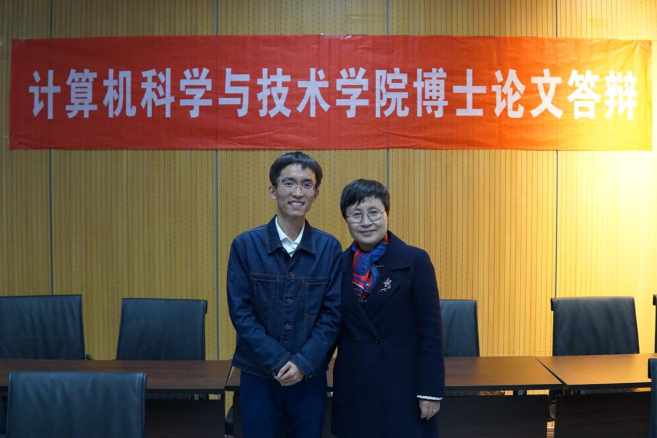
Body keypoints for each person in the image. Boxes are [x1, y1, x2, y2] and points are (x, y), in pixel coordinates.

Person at [226, 151, 342, 438]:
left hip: (309, 376)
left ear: (315, 194)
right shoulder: (245, 245)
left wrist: (302, 363)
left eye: (306, 184)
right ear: (273, 190)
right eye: (289, 183)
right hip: (258, 374)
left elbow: (333, 315)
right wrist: (278, 361)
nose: (297, 192)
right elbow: (241, 312)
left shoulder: (329, 249)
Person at [331, 179, 445, 438]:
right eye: (356, 214)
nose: (365, 222)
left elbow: (431, 332)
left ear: (386, 213)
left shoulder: (415, 260)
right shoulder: (338, 264)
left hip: (404, 387)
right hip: (354, 385)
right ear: (346, 219)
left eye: (373, 212)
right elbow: (329, 326)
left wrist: (431, 391)